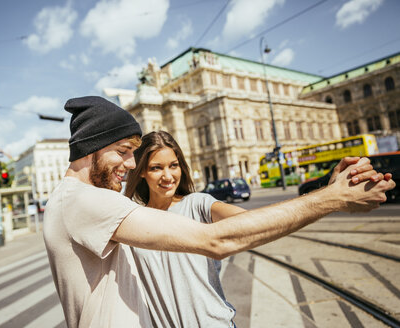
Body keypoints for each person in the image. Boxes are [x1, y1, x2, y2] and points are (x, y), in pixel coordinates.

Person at [43, 96, 394, 328]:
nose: (130, 164)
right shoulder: (86, 200)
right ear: (92, 149)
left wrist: (324, 192)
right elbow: (216, 241)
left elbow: (241, 226)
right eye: (122, 151)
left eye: (135, 154)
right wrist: (330, 198)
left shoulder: (80, 201)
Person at [125, 131, 245, 327]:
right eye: (156, 168)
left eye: (173, 165)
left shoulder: (198, 204)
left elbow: (247, 221)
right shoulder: (135, 219)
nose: (168, 176)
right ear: (142, 172)